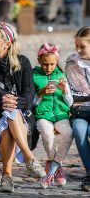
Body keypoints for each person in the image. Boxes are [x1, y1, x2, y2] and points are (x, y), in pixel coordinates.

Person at [0, 22, 45, 193]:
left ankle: (7, 175)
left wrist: (13, 103)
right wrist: (2, 102)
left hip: (22, 114)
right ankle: (29, 158)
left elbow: (29, 95)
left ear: (7, 43)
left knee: (10, 114)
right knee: (7, 114)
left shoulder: (23, 62)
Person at [33, 42, 73, 189]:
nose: (48, 68)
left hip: (61, 115)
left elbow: (69, 103)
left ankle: (53, 167)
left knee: (69, 133)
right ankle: (55, 164)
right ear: (39, 61)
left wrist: (65, 91)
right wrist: (41, 93)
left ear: (56, 62)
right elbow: (31, 102)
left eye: (52, 64)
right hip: (43, 115)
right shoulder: (34, 76)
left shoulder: (61, 76)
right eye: (45, 64)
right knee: (48, 135)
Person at [65, 26, 90, 192]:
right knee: (79, 130)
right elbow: (73, 94)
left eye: (83, 46)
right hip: (81, 112)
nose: (79, 50)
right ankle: (89, 172)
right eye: (77, 46)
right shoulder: (72, 63)